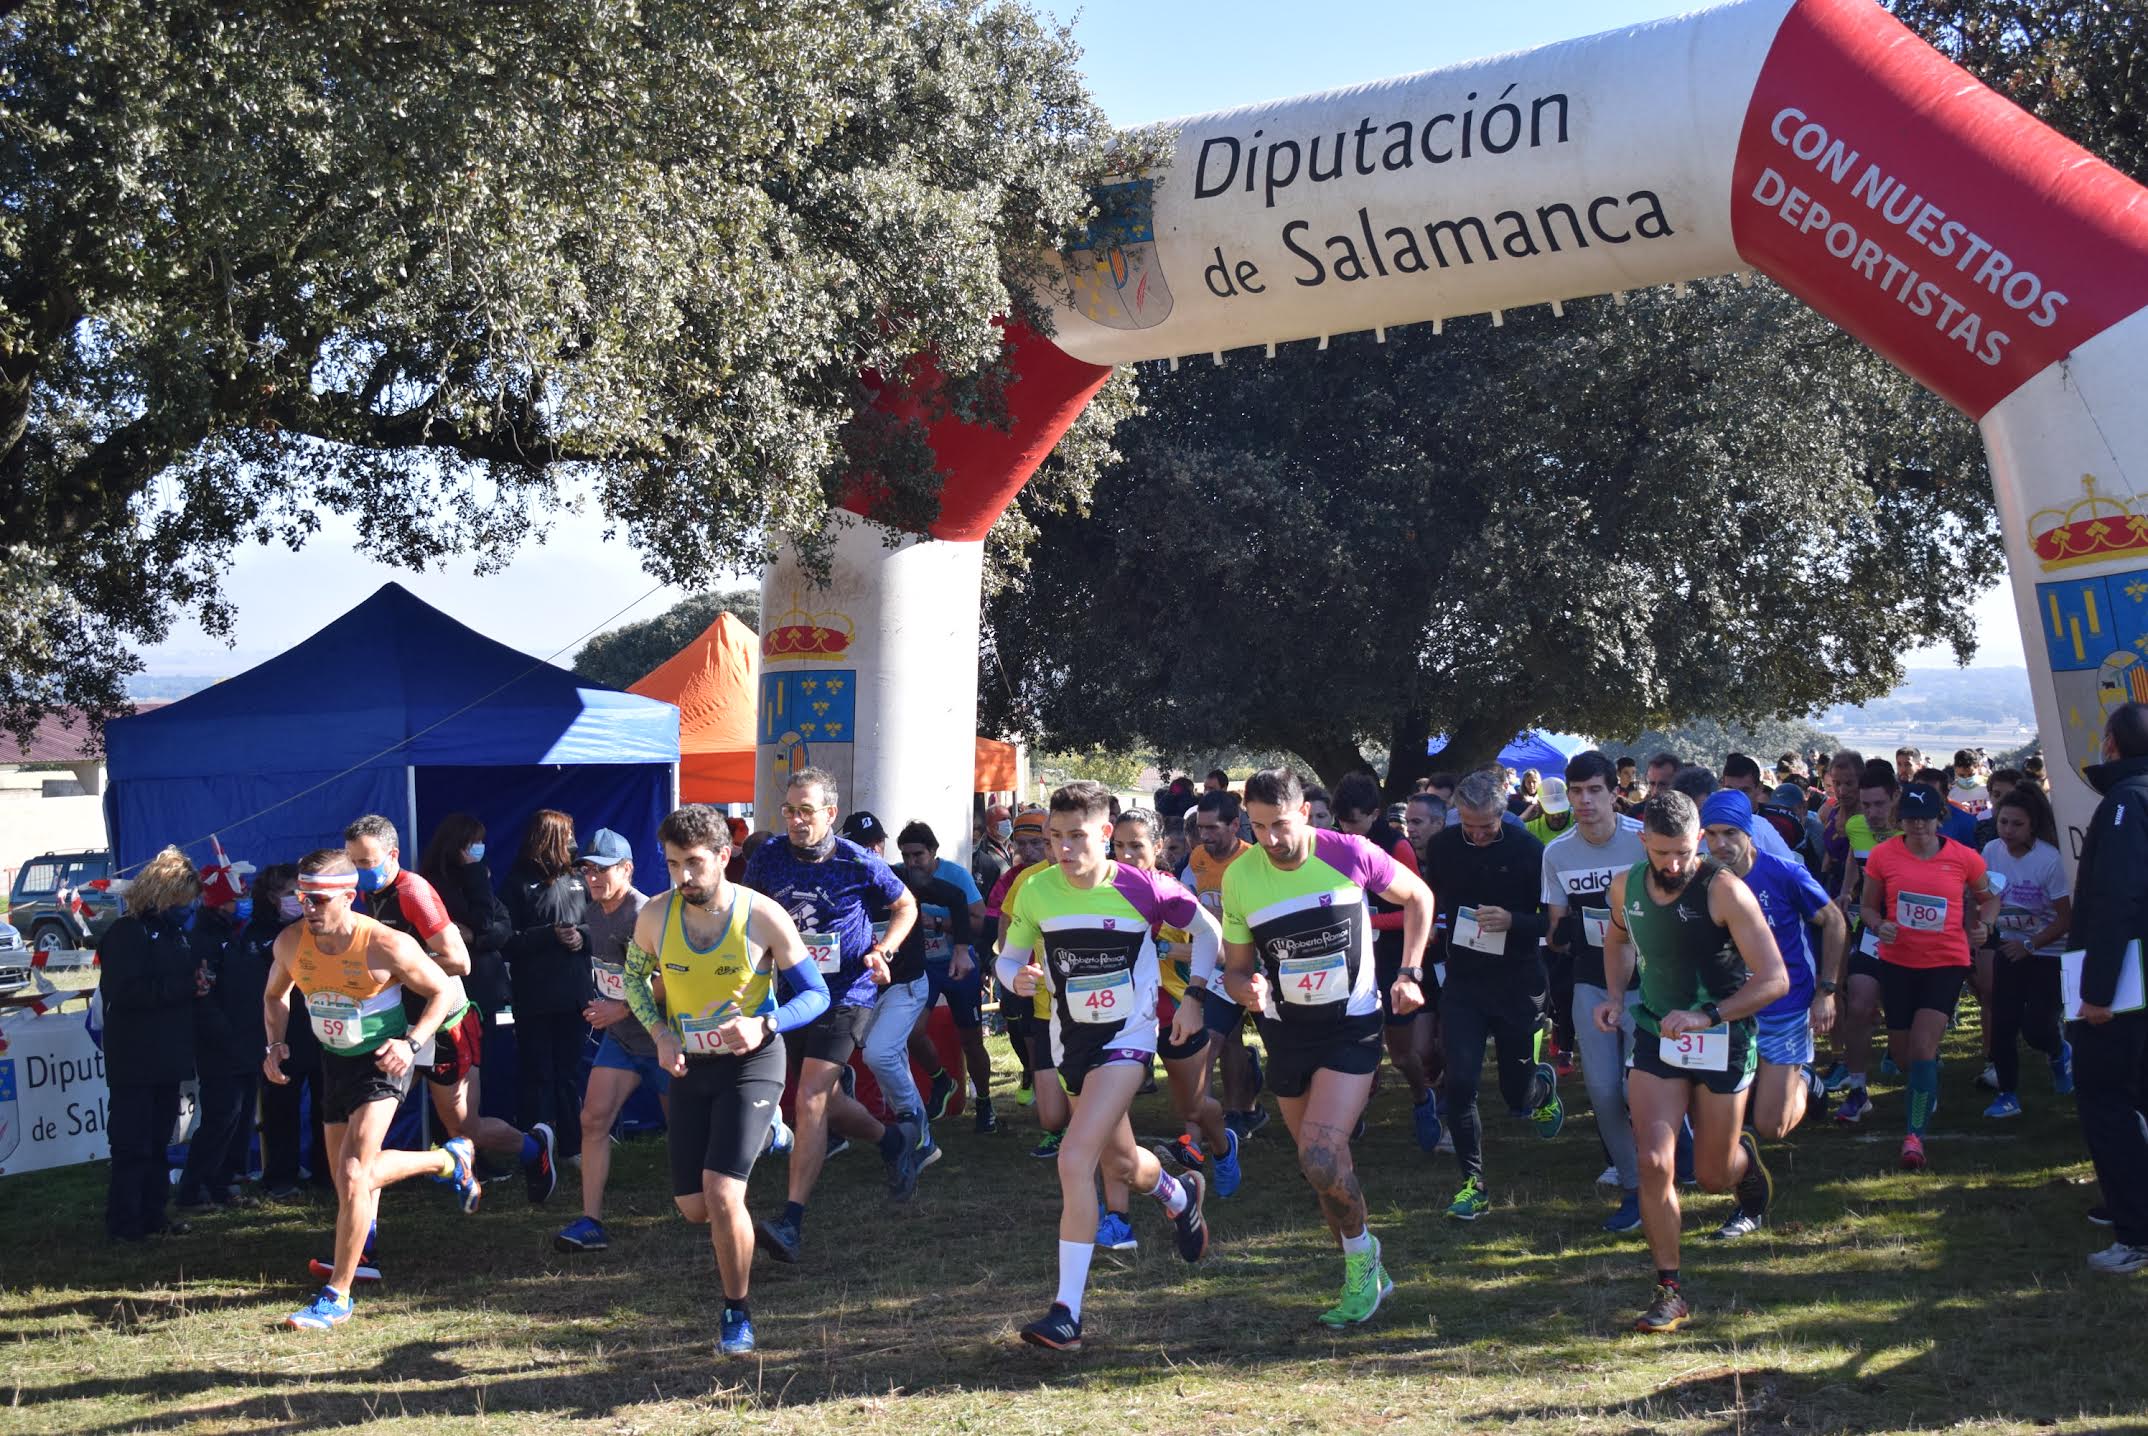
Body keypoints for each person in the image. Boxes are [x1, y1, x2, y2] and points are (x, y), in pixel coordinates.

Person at [998, 782, 1218, 1350]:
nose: (1063, 849)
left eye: (1076, 837)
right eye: (1053, 838)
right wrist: (1016, 978)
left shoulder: (1144, 886)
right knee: (1120, 1162)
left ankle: (1067, 1313)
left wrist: (1194, 995)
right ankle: (1177, 1194)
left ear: (1104, 834)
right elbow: (1009, 959)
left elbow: (1208, 932)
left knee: (1075, 1158)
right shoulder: (1037, 890)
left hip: (1129, 1038)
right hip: (1072, 1041)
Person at [1222, 767, 1435, 1328]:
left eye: (1282, 824)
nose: (1272, 839)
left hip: (1351, 1024)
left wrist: (1410, 971)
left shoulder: (1349, 852)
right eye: (1259, 826)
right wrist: (1246, 989)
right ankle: (1364, 1267)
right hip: (1285, 1029)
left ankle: (1363, 1263)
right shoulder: (1241, 876)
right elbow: (1237, 970)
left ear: (1308, 812)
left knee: (1319, 1154)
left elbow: (1418, 897)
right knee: (1322, 1166)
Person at [625, 805, 831, 1354]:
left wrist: (766, 1023)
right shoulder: (654, 915)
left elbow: (817, 994)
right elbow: (633, 980)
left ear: (723, 857)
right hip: (690, 1064)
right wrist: (660, 1033)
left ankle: (736, 1312)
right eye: (672, 865)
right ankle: (769, 1135)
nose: (683, 877)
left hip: (753, 1062)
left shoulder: (762, 915)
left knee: (721, 1195)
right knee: (694, 1207)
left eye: (694, 863)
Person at [265, 850, 482, 1330]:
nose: (309, 908)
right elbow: (275, 995)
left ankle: (336, 1296)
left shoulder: (385, 942)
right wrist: (275, 1043)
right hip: (333, 1061)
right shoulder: (290, 943)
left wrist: (412, 1043)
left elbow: (443, 990)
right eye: (303, 897)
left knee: (354, 1173)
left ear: (349, 895)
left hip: (383, 1060)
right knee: (348, 1182)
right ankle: (446, 1161)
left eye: (319, 899)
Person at [1597, 793, 1789, 1333]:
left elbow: (1775, 978)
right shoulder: (1626, 886)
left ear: (1699, 837)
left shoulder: (1725, 890)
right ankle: (1669, 1289)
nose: (1674, 864)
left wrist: (1710, 1015)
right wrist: (1615, 996)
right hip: (1658, 1035)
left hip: (1722, 1038)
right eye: (1663, 853)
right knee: (1656, 1162)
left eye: (1684, 851)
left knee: (1709, 1175)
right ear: (1643, 842)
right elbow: (1616, 941)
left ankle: (1743, 1164)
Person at [746, 768, 925, 1263]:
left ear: (829, 813)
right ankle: (893, 1141)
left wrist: (883, 950)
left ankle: (791, 1220)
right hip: (793, 991)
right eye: (789, 810)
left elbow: (906, 905)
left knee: (808, 1100)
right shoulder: (767, 857)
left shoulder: (857, 860)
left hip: (848, 991)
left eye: (807, 811)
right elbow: (749, 914)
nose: (797, 820)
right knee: (822, 1101)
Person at [350, 813, 553, 1239]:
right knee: (367, 1133)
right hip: (394, 1025)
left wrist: (395, 972)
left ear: (392, 855)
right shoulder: (370, 894)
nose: (360, 872)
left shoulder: (414, 891)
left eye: (367, 862)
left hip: (445, 1023)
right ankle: (362, 1243)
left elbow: (459, 962)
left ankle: (534, 1148)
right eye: (354, 862)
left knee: (464, 1128)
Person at [1697, 790, 1846, 1234]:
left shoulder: (1784, 874)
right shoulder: (1702, 878)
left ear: (1750, 832)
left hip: (1786, 1006)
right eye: (1712, 834)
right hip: (1730, 1011)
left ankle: (1804, 1078)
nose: (1720, 844)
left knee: (1772, 1126)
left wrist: (1827, 991)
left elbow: (1834, 921)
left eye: (1730, 834)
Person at [1421, 772, 1558, 1223]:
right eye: (1470, 826)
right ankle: (1472, 1184)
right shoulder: (1442, 847)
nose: (1478, 836)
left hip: (1517, 979)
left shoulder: (1528, 851)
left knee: (1514, 1092)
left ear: (1503, 815)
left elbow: (1555, 924)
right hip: (1464, 982)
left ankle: (1540, 1092)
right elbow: (1431, 902)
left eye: (1487, 827)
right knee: (1460, 1082)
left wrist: (1514, 920)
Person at [1859, 782, 1999, 1170]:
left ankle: (1914, 1138)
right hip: (1898, 961)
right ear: (1899, 819)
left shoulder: (1965, 858)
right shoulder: (1883, 856)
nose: (1917, 826)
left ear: (1939, 818)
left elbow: (1990, 897)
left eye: (1925, 818)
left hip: (1946, 962)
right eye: (1909, 818)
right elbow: (1868, 907)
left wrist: (1985, 924)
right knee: (1905, 1055)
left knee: (1921, 1048)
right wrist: (1879, 924)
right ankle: (1925, 1078)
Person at [554, 828, 678, 1253]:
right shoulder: (593, 912)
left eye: (602, 870)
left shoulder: (646, 913)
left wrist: (621, 1008)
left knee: (685, 1131)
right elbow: (614, 970)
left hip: (664, 1039)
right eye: (587, 870)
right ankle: (591, 1221)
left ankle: (716, 1200)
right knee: (593, 1120)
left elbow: (667, 979)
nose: (593, 878)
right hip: (622, 1042)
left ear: (627, 868)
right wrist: (605, 1000)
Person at [1542, 750, 1650, 1232]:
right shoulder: (1556, 852)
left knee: (1639, 1088)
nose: (1584, 801)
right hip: (1591, 984)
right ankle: (1634, 1190)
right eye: (1575, 791)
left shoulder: (1644, 841)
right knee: (1605, 1093)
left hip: (1652, 985)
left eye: (1594, 791)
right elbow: (1556, 931)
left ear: (1615, 793)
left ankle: (1674, 1161)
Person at [1114, 808, 1241, 1196]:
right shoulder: (1102, 888)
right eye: (1118, 846)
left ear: (1156, 847)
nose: (1126, 855)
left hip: (1173, 1007)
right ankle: (1116, 1202)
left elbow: (1214, 945)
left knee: (1193, 1107)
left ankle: (1223, 1146)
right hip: (1120, 1011)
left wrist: (1191, 991)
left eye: (1136, 846)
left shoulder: (1170, 890)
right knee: (1109, 1105)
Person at [2066, 702, 2148, 1274]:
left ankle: (2136, 1232)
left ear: (2113, 744)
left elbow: (2117, 900)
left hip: (2126, 985)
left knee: (2106, 1099)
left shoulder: (2126, 801)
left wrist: (2096, 991)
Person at [844, 810, 966, 1171]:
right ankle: (919, 1136)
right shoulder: (837, 883)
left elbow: (957, 897)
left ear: (880, 847)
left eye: (870, 845)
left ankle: (917, 1127)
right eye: (855, 846)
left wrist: (961, 950)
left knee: (880, 1054)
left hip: (906, 985)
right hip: (861, 990)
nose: (864, 852)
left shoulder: (899, 879)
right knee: (878, 1055)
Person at [98, 846, 206, 1243]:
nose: (188, 907)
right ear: (162, 895)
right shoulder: (128, 932)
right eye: (182, 899)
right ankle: (125, 1223)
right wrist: (182, 987)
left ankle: (154, 1214)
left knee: (159, 1140)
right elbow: (123, 991)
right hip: (135, 1057)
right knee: (133, 1143)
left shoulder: (177, 934)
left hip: (167, 1054)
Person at [1335, 773, 1439, 1150]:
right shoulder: (1337, 844)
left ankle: (1421, 1097)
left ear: (1376, 814)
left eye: (1356, 821)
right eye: (1342, 822)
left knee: (1401, 1053)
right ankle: (1350, 1112)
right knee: (1353, 1042)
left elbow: (1415, 908)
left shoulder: (1396, 847)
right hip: (1353, 957)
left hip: (1394, 956)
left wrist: (1365, 919)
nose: (1349, 830)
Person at [498, 809, 591, 1173]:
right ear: (550, 838)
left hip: (574, 995)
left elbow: (596, 925)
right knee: (536, 1075)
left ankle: (571, 1147)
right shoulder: (518, 882)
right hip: (534, 998)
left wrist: (579, 937)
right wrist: (547, 934)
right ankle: (533, 1150)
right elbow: (505, 940)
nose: (572, 842)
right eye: (567, 834)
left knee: (569, 1074)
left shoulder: (579, 879)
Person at [893, 820, 994, 1133]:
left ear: (933, 852)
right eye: (906, 856)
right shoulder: (899, 875)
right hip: (924, 968)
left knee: (971, 1041)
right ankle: (942, 1081)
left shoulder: (956, 875)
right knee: (912, 1033)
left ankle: (985, 1102)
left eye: (918, 855)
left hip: (958, 964)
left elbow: (980, 922)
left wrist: (938, 924)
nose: (912, 862)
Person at [1979, 786, 2073, 1120]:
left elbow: (2066, 918)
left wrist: (2031, 945)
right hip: (2010, 947)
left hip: (2050, 953)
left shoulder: (2050, 860)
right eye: (2003, 822)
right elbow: (1987, 896)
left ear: (2032, 826)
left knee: (2037, 1029)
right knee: (2003, 1024)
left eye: (2016, 824)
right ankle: (2007, 1095)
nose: (2007, 830)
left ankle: (2060, 1052)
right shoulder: (1991, 851)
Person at [1188, 789, 1266, 1138]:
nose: (1205, 836)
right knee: (1216, 1041)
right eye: (1201, 828)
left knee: (1282, 1048)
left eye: (1213, 828)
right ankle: (1222, 1118)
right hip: (1219, 966)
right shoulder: (1197, 858)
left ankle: (1249, 1103)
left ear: (1235, 825)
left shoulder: (1256, 860)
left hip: (1259, 966)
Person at [253, 866, 329, 1200]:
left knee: (327, 1106)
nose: (297, 902)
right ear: (271, 898)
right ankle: (280, 1176)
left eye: (301, 895)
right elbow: (265, 991)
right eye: (288, 894)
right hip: (282, 1034)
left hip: (321, 1032)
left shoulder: (318, 930)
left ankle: (325, 1172)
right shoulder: (259, 935)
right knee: (280, 1108)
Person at [1830, 760, 1900, 1119]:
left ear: (1896, 800)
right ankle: (1858, 1089)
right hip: (1872, 928)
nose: (1872, 813)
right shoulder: (1855, 826)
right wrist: (1846, 891)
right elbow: (1856, 862)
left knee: (1905, 1028)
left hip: (1911, 936)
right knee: (1858, 1006)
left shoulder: (1911, 830)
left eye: (1880, 805)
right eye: (1867, 804)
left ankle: (1920, 1068)